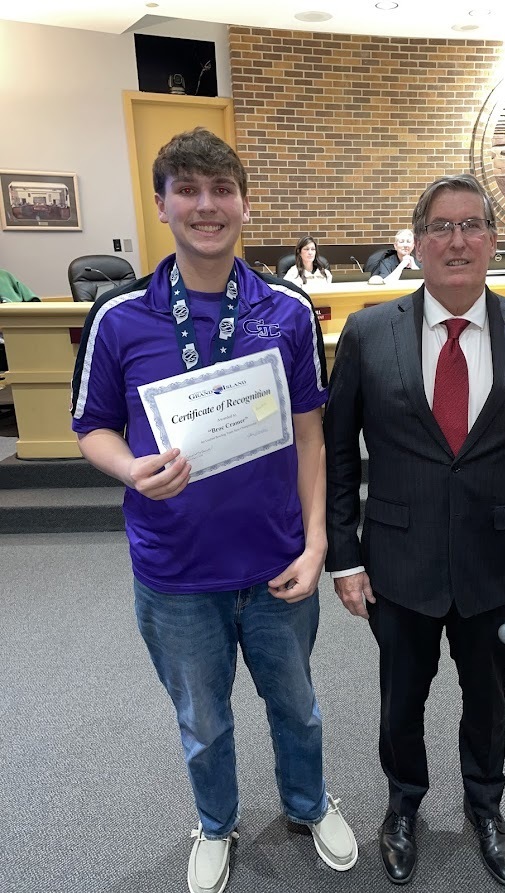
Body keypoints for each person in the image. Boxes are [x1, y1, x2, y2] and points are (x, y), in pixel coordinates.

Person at [70, 128, 357, 893]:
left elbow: (309, 436)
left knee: (298, 706)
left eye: (221, 189)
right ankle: (217, 821)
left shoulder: (290, 311)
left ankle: (306, 802)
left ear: (244, 204)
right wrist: (131, 467)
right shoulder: (120, 315)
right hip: (175, 573)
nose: (207, 205)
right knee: (203, 721)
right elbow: (90, 425)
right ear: (162, 203)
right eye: (188, 190)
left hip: (277, 564)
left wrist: (317, 540)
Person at [324, 173, 505, 887]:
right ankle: (402, 805)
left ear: (494, 242)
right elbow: (339, 453)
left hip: (494, 565)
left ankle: (485, 806)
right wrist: (343, 555)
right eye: (441, 226)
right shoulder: (370, 332)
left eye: (473, 225)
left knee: (488, 699)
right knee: (400, 700)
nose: (458, 239)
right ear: (418, 241)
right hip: (396, 563)